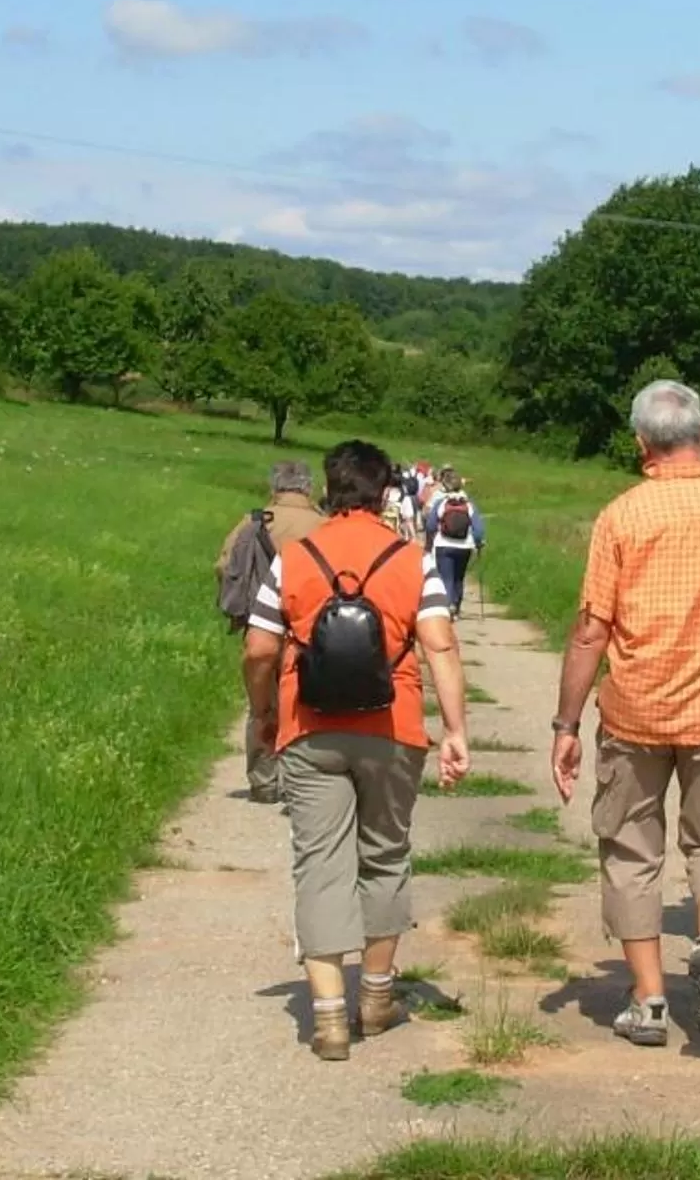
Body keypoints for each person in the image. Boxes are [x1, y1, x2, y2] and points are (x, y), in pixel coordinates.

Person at [549, 380, 700, 1048]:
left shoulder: (621, 515)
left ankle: (649, 998)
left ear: (640, 443)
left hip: (637, 708)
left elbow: (592, 627)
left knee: (631, 848)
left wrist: (566, 725)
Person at [242, 440, 471, 1061]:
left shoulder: (294, 558)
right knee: (386, 855)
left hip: (310, 727)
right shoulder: (411, 558)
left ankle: (328, 1016)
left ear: (330, 489)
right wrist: (455, 730)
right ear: (382, 492)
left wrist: (264, 714)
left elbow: (261, 651)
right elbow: (440, 646)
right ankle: (375, 998)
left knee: (319, 863)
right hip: (392, 726)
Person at [217, 461, 326, 804]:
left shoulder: (252, 522)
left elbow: (224, 566)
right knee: (307, 703)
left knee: (261, 704)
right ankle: (302, 779)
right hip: (309, 629)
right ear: (308, 488)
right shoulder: (324, 525)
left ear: (275, 487)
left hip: (261, 625)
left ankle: (264, 781)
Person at [424, 466, 483, 615]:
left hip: (443, 544)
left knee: (446, 577)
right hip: (464, 546)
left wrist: (429, 542)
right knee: (459, 577)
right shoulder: (469, 504)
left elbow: (430, 525)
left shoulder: (442, 503)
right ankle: (456, 606)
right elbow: (478, 529)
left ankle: (448, 605)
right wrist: (478, 542)